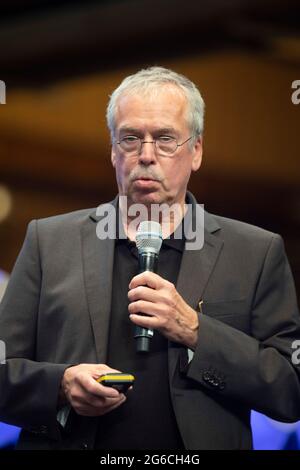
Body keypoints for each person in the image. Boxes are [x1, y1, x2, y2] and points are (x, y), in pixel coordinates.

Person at [0, 66, 300, 450]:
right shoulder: (48, 241)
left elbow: (290, 389)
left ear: (196, 151)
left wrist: (195, 330)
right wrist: (59, 385)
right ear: (112, 150)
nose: (145, 155)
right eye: (130, 138)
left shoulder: (255, 252)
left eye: (165, 139)